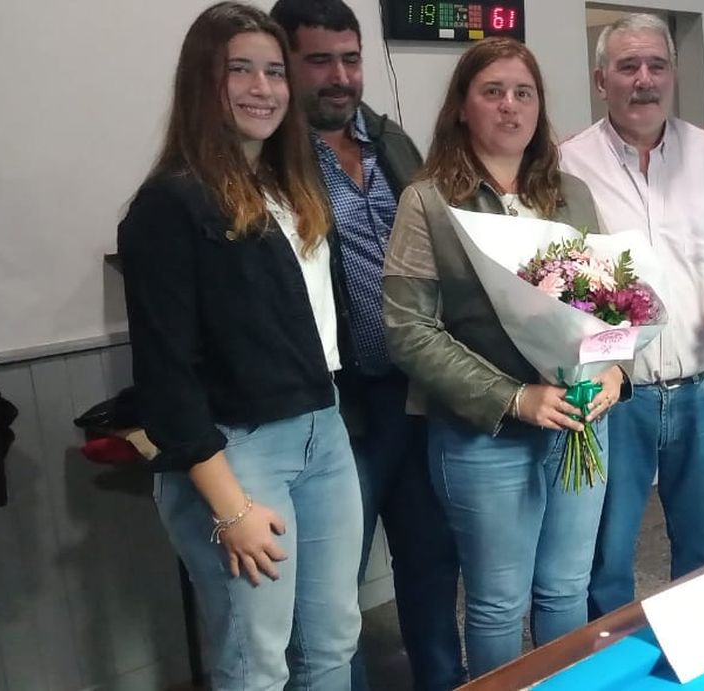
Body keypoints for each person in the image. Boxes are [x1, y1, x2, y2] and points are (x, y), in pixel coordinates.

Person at [116, 3, 362, 688]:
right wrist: (230, 506)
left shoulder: (293, 187)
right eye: (242, 71)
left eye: (276, 72)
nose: (264, 88)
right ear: (205, 82)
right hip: (238, 451)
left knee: (333, 642)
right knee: (256, 661)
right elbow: (166, 377)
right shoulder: (170, 205)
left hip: (323, 432)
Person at [380, 37, 624, 678]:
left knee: (566, 590)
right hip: (482, 434)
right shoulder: (428, 202)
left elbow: (610, 307)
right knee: (497, 604)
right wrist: (513, 398)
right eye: (492, 92)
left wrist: (614, 371)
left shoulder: (571, 194)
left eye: (524, 93)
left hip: (580, 421)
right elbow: (408, 331)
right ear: (463, 106)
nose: (510, 107)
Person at [267, 2, 463, 688]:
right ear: (285, 63)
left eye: (350, 59)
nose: (340, 76)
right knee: (332, 590)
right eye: (319, 60)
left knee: (432, 562)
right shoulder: (272, 159)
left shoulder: (390, 141)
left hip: (416, 393)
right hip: (340, 407)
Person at [559, 13, 704, 618]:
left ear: (672, 73)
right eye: (627, 67)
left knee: (703, 552)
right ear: (600, 80)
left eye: (657, 65)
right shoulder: (566, 162)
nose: (644, 80)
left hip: (702, 388)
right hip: (615, 396)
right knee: (606, 558)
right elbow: (561, 292)